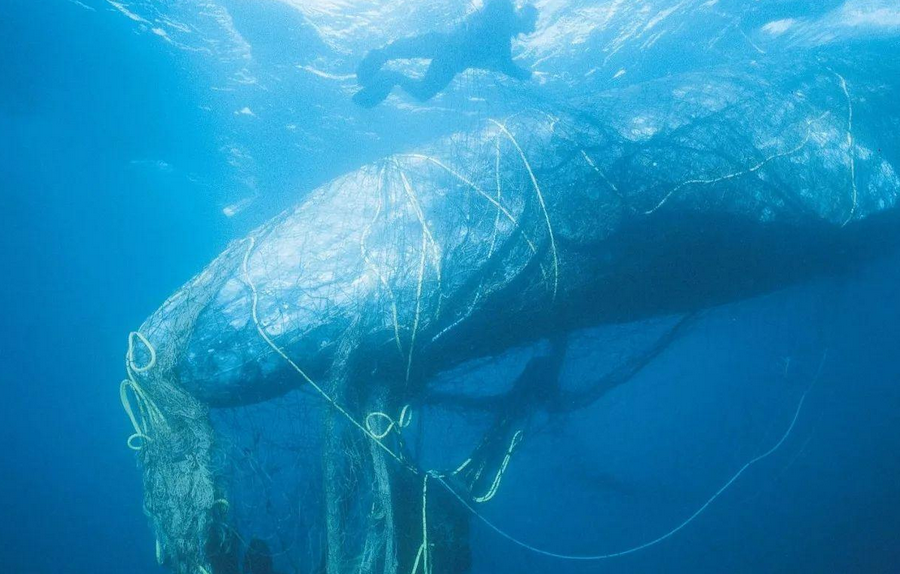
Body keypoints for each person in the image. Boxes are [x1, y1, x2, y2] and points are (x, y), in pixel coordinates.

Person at [353, 0, 538, 108]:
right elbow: (507, 66)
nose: (533, 28)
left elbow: (507, 66)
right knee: (419, 86)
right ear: (523, 15)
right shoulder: (503, 11)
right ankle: (383, 69)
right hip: (447, 50)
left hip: (446, 53)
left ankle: (388, 75)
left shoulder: (503, 43)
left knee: (421, 90)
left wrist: (527, 75)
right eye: (532, 21)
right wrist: (528, 76)